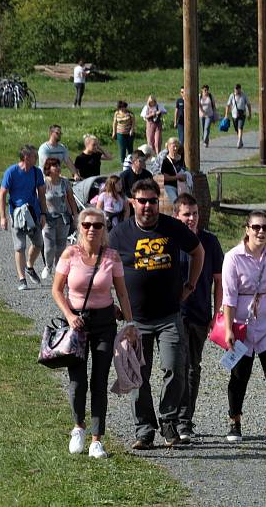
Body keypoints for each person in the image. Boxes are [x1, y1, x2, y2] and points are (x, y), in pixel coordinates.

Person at [109, 179, 204, 449]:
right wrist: (111, 304)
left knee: (175, 368)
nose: (148, 206)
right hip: (135, 319)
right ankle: (144, 430)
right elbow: (105, 268)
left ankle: (168, 420)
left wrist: (190, 285)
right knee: (138, 374)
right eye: (143, 201)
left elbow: (198, 252)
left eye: (152, 200)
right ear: (133, 202)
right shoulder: (119, 234)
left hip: (169, 316)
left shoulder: (172, 227)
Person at [51, 207, 137, 459]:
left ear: (104, 230)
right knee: (78, 381)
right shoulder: (70, 254)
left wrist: (130, 325)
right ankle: (78, 427)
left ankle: (97, 440)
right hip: (76, 323)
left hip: (104, 323)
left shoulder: (112, 257)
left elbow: (121, 293)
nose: (92, 229)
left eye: (97, 225)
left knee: (99, 381)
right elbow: (57, 290)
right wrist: (69, 315)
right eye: (87, 224)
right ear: (80, 228)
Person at [221, 211, 266, 448]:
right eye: (257, 227)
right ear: (247, 229)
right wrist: (229, 329)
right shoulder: (232, 258)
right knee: (239, 375)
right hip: (242, 324)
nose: (261, 232)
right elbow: (228, 298)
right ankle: (234, 420)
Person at [173, 193, 224, 439]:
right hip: (174, 313)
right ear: (176, 216)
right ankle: (173, 417)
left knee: (193, 367)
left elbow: (218, 280)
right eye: (186, 214)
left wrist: (217, 313)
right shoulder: (170, 240)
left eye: (194, 214)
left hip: (200, 313)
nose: (191, 219)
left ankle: (186, 420)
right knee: (176, 366)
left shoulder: (210, 242)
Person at [0, 144, 48, 290]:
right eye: (34, 156)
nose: (37, 158)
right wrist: (3, 217)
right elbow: (2, 194)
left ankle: (29, 266)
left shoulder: (36, 172)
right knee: (19, 246)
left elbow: (42, 194)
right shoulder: (11, 172)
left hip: (33, 213)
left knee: (38, 244)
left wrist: (44, 214)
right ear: (26, 157)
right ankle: (22, 279)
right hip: (17, 214)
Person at [41, 157, 78, 279]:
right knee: (49, 247)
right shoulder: (44, 183)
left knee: (61, 247)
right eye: (54, 166)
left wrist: (75, 214)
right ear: (48, 169)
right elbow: (39, 200)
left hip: (63, 218)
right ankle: (48, 266)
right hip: (48, 219)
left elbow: (71, 199)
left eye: (58, 165)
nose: (57, 168)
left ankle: (59, 269)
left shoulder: (65, 182)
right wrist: (40, 215)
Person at [160, 137, 191, 202]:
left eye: (177, 146)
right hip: (169, 186)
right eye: (173, 146)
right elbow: (165, 177)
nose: (175, 148)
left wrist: (186, 176)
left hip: (181, 186)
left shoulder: (181, 159)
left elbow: (184, 169)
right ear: (168, 147)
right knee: (175, 202)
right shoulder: (166, 161)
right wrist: (177, 177)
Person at [225, 84, 251, 149]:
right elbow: (228, 105)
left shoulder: (244, 95)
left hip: (242, 115)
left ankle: (239, 141)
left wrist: (250, 114)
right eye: (235, 89)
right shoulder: (232, 96)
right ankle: (240, 140)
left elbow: (248, 104)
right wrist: (226, 115)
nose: (236, 90)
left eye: (238, 89)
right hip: (234, 115)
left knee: (240, 127)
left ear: (240, 89)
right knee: (237, 129)